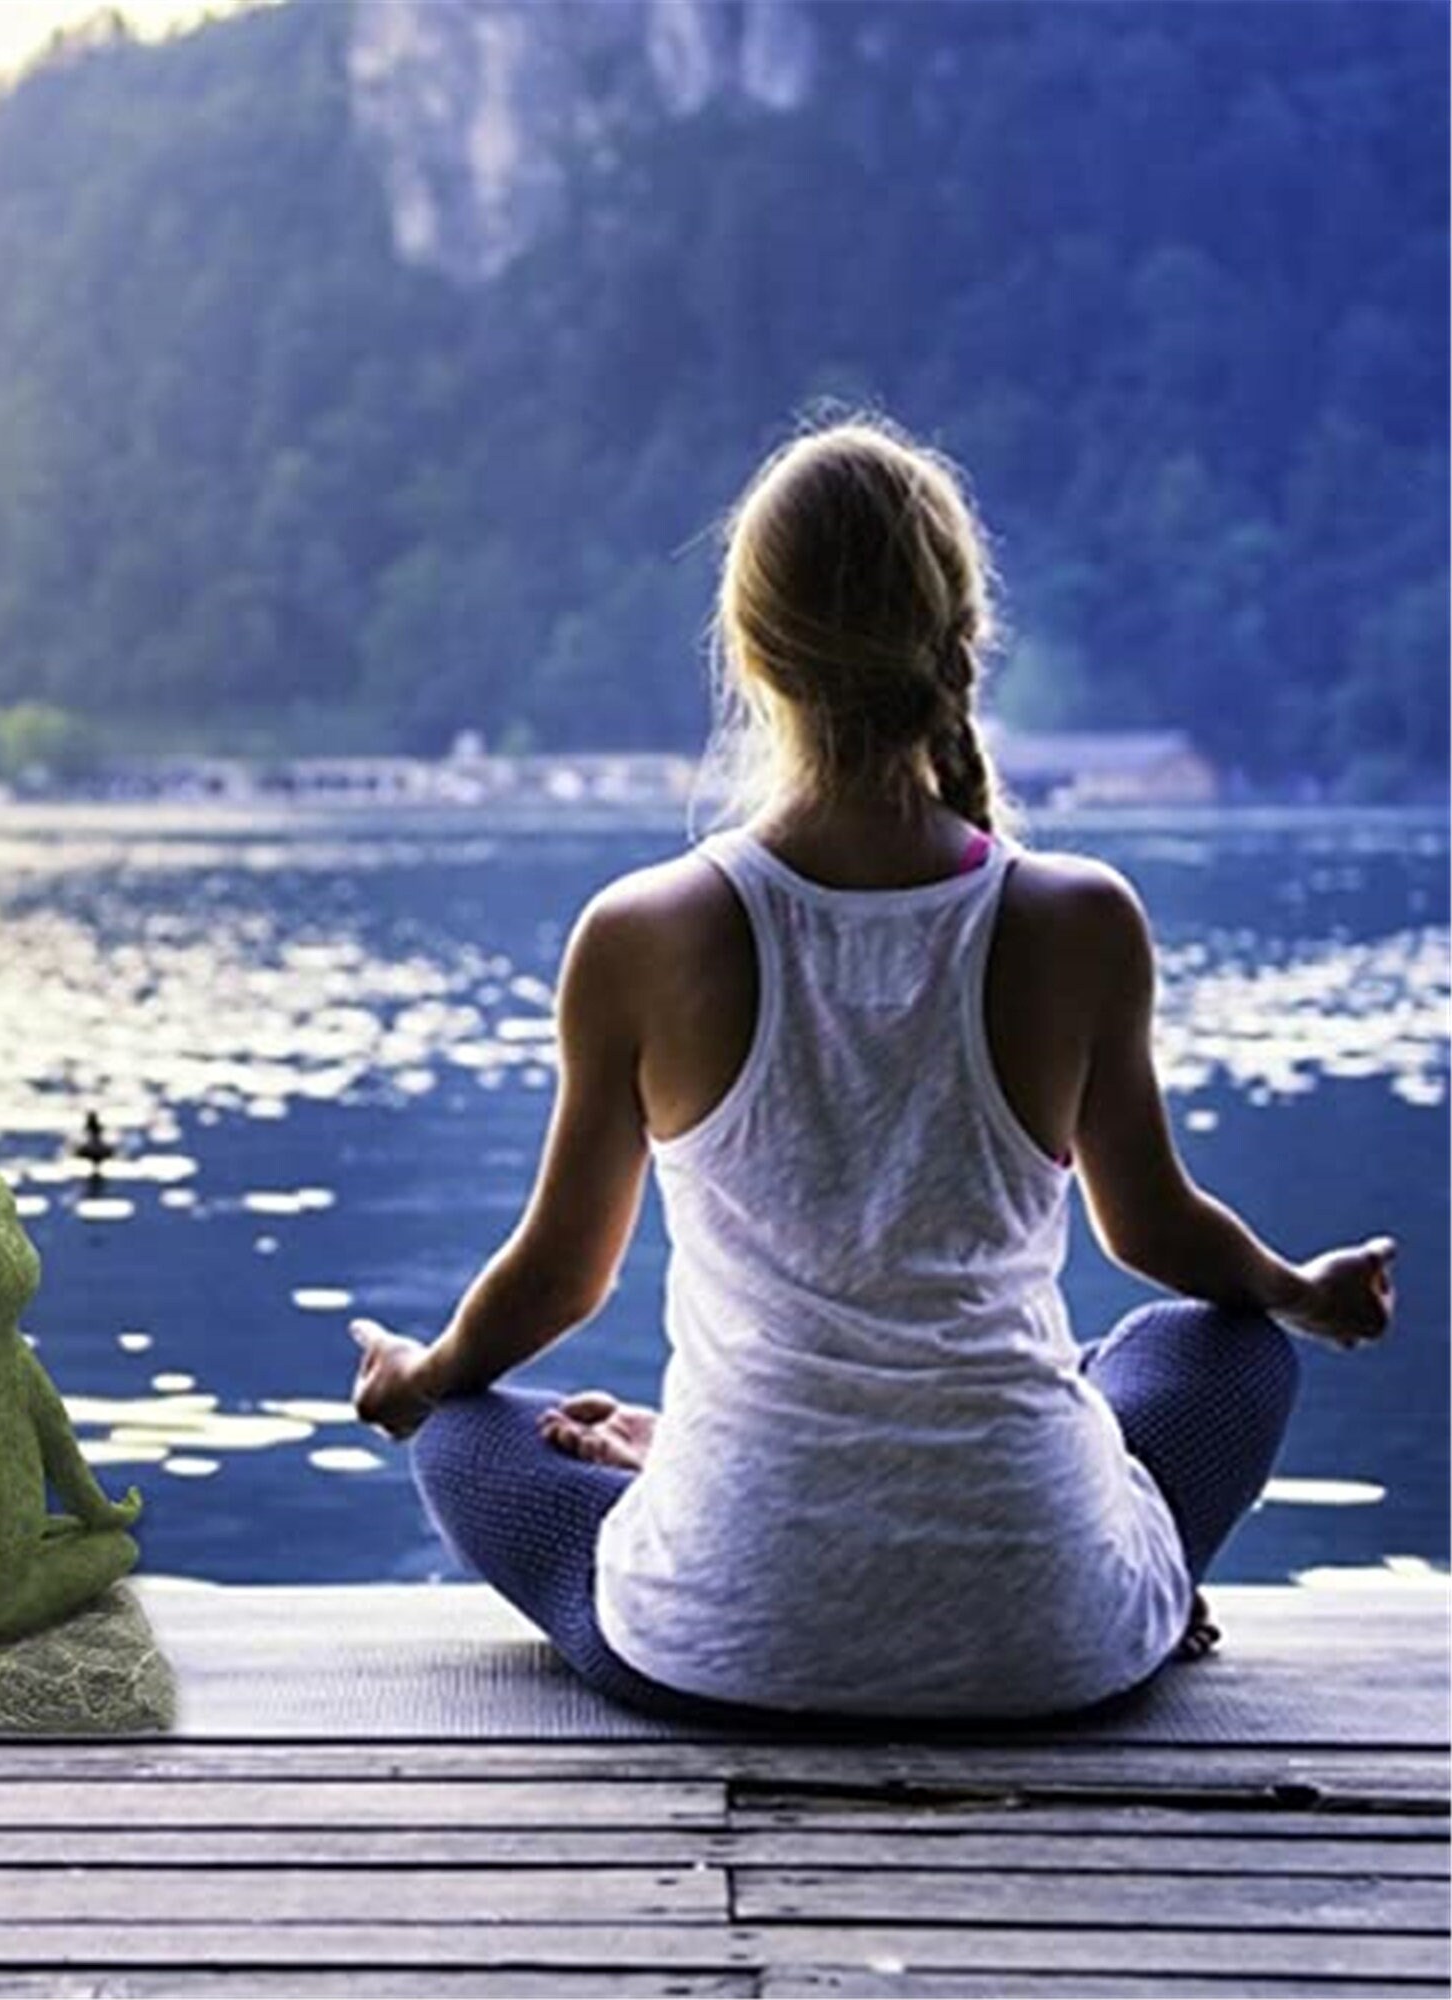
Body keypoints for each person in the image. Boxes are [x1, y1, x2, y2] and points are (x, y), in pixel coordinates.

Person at [347, 414, 1398, 1724]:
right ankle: (1113, 1578)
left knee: (464, 1425)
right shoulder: (1082, 919)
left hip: (726, 1641)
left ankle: (695, 1485)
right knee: (1230, 1347)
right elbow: (1158, 1233)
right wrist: (1298, 1291)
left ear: (749, 654)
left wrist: (421, 1376)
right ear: (962, 636)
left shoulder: (641, 933)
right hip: (1050, 1647)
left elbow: (562, 1279)